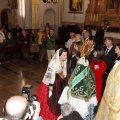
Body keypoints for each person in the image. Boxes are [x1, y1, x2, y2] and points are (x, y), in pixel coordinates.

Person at [58, 41, 97, 119]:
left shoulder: (81, 62)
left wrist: (70, 82)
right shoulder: (86, 62)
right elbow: (91, 77)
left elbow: (75, 74)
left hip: (79, 97)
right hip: (88, 89)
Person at [36, 48, 67, 120]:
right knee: (50, 99)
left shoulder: (64, 61)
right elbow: (49, 75)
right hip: (52, 82)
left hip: (59, 81)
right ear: (59, 55)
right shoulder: (53, 63)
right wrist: (50, 87)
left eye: (66, 55)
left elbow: (63, 71)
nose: (65, 57)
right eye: (64, 56)